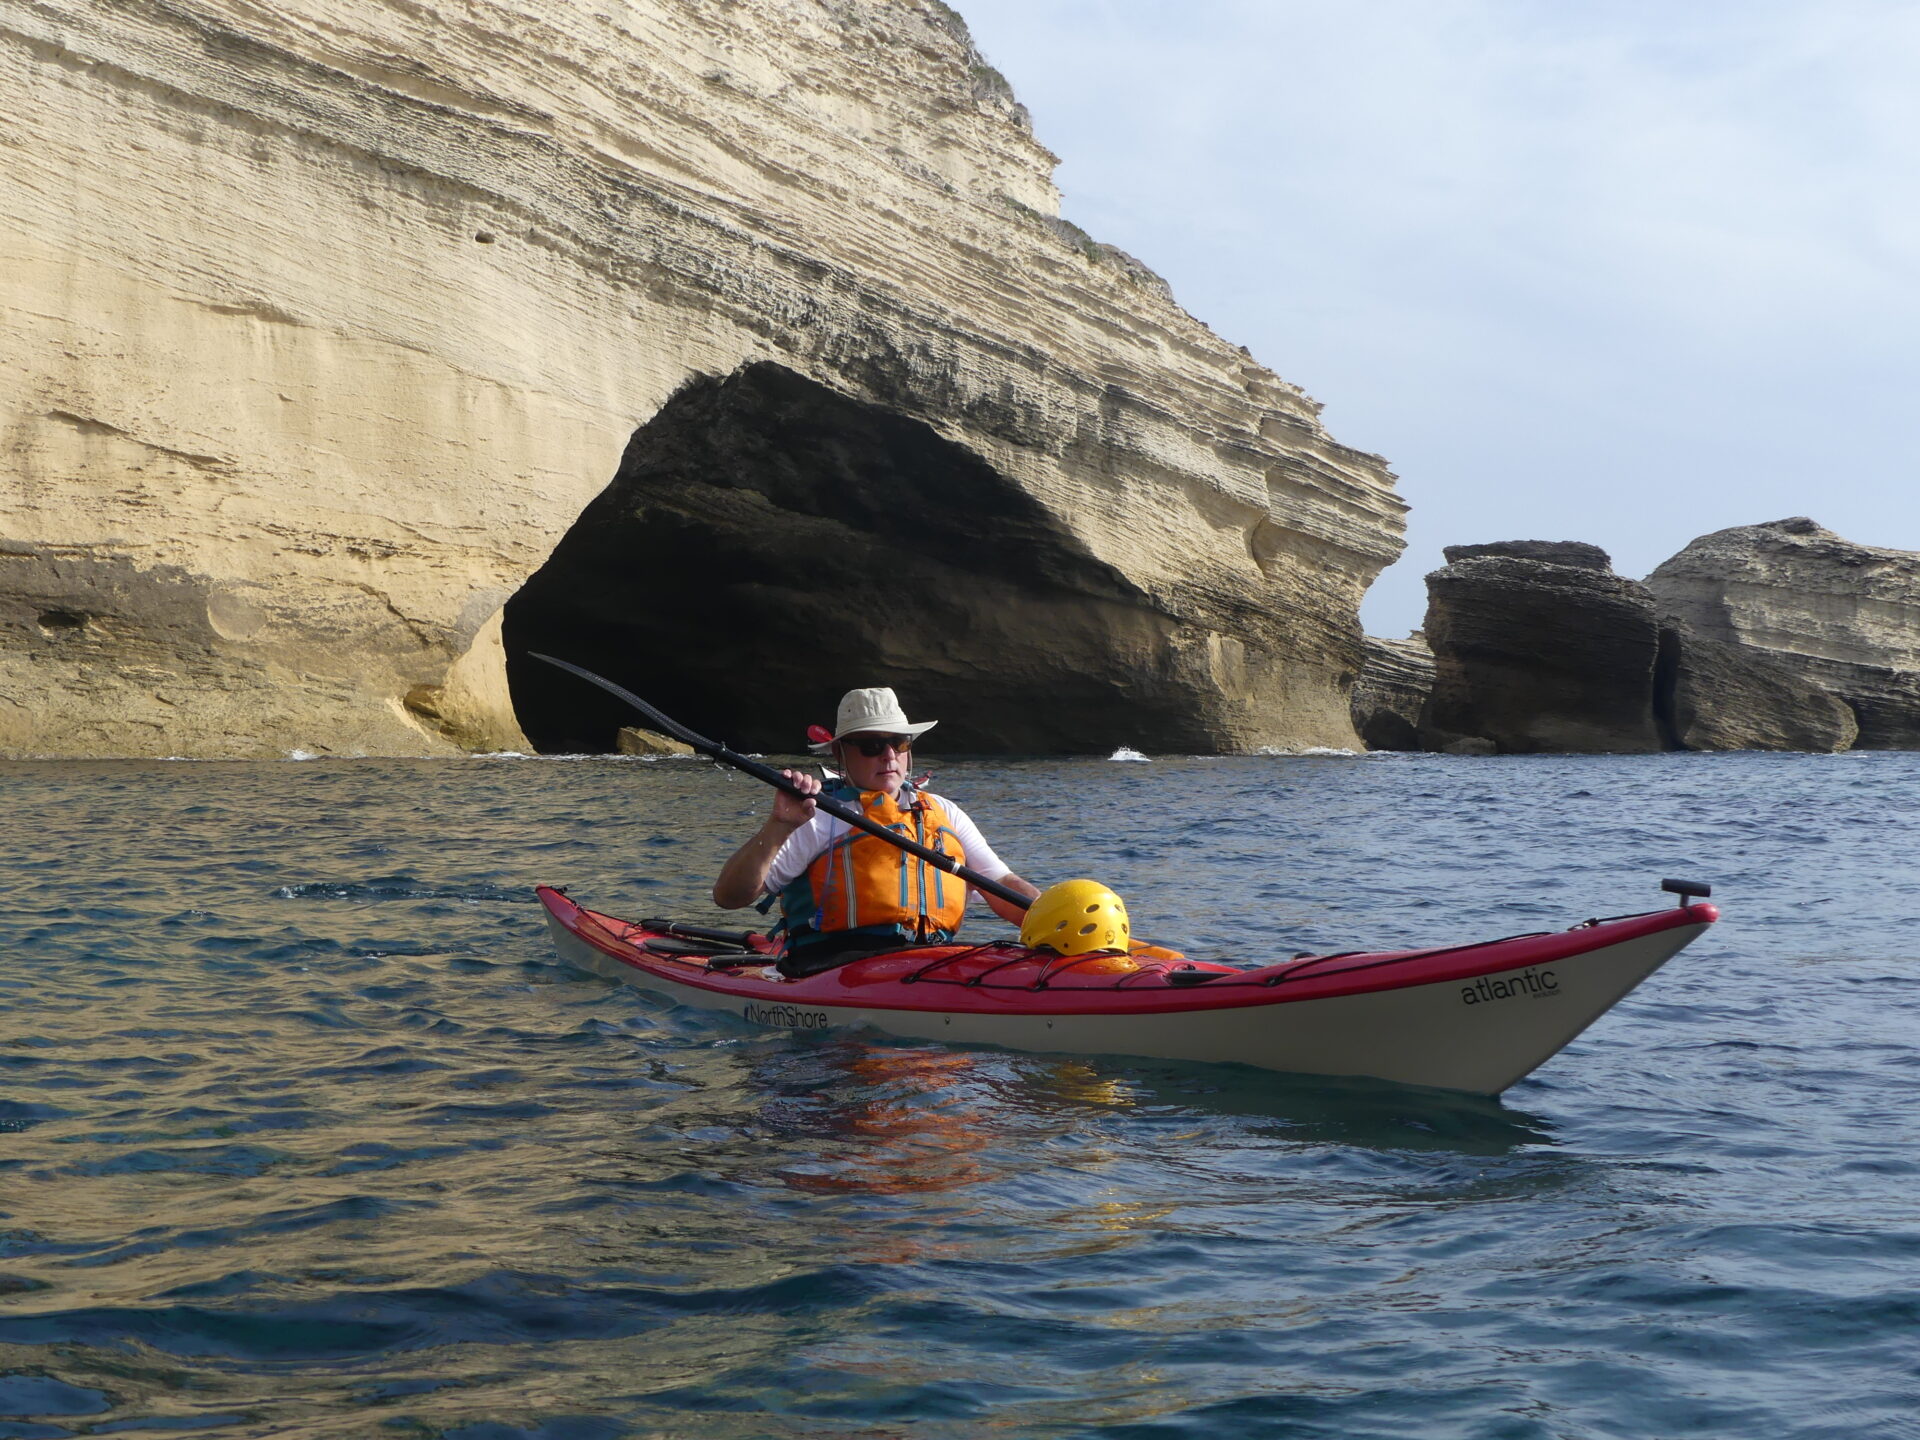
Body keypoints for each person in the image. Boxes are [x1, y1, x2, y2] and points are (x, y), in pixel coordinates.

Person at [712, 687, 1040, 976]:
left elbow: (1002, 885)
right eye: (872, 745)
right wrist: (778, 826)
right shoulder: (814, 815)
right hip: (833, 966)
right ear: (840, 753)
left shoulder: (944, 811)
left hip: (930, 961)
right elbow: (729, 897)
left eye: (898, 742)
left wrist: (1055, 920)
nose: (889, 755)